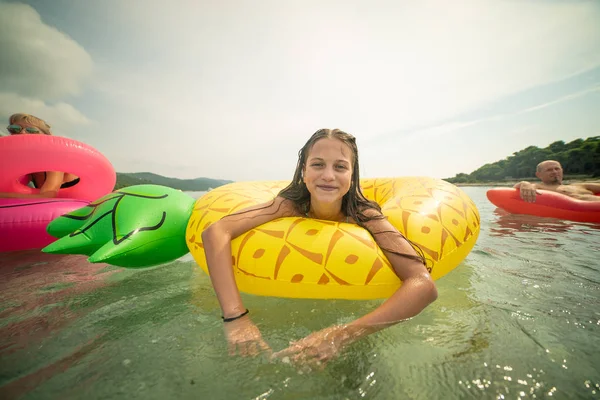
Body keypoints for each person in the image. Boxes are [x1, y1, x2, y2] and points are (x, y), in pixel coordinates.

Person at [201, 128, 438, 369]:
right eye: (317, 164)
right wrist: (235, 317)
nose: (328, 175)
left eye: (340, 167)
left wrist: (341, 335)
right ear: (304, 171)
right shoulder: (287, 205)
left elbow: (423, 284)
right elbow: (216, 232)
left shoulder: (365, 215)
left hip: (354, 315)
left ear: (352, 175)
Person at [1, 113, 80, 199]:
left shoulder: (54, 158)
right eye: (15, 129)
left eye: (31, 130)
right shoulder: (25, 162)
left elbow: (47, 196)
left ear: (45, 136)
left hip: (87, 207)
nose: (22, 132)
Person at [514, 160, 600, 203]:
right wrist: (524, 183)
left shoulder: (580, 185)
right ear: (538, 175)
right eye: (549, 170)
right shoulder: (540, 187)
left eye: (557, 169)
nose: (555, 172)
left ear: (562, 170)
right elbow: (517, 189)